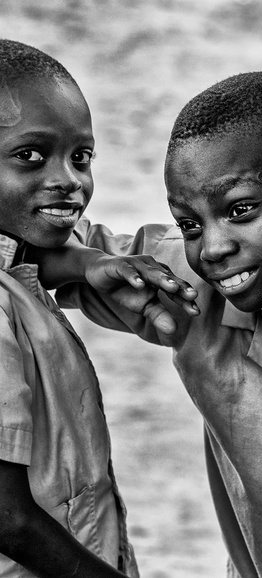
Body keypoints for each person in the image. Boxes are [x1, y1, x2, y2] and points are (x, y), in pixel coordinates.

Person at [40, 72, 262, 578]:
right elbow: (27, 235)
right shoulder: (183, 289)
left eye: (241, 210)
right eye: (190, 224)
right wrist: (81, 262)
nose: (212, 248)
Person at [0, 39, 198, 577]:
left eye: (81, 157)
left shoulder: (22, 263)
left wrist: (82, 262)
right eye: (31, 155)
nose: (69, 180)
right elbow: (8, 519)